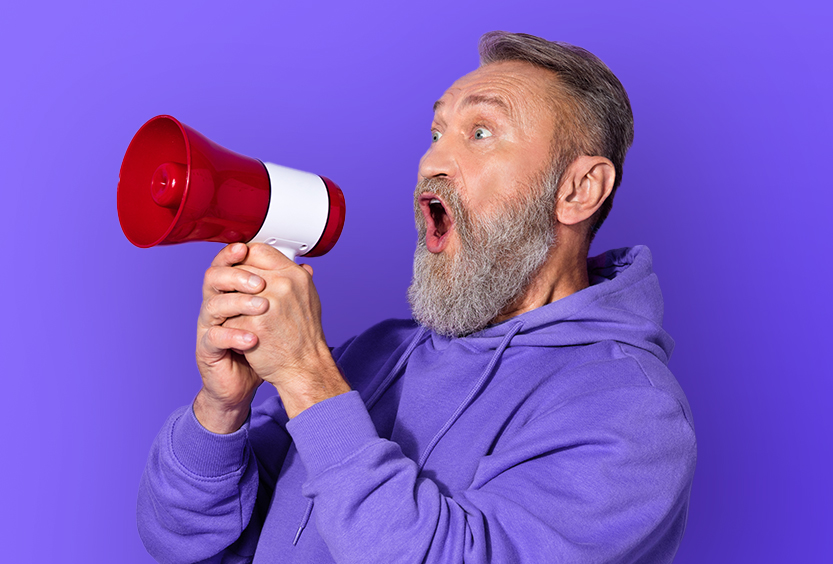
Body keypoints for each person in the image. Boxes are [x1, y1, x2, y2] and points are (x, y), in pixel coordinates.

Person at [137, 31, 696, 564]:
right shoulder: (374, 354)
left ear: (577, 190)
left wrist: (308, 379)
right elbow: (180, 540)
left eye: (480, 133)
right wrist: (223, 409)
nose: (431, 163)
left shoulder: (631, 414)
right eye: (435, 134)